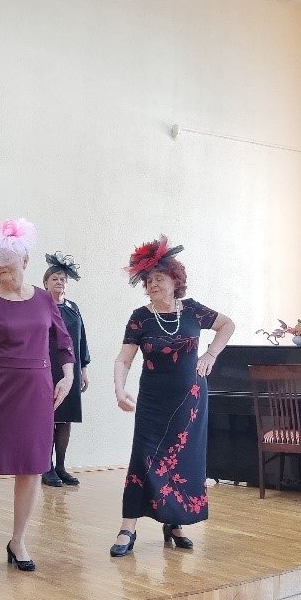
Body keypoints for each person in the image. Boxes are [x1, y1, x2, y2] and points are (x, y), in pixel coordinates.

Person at [0, 218, 74, 578]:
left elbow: (63, 340)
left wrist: (68, 374)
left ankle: (18, 541)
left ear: (25, 260)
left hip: (37, 395)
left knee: (32, 468)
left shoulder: (44, 299)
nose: (1, 267)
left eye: (7, 261)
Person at [109, 235, 234, 557]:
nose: (153, 284)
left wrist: (211, 355)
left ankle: (175, 523)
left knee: (184, 460)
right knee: (143, 457)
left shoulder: (193, 311)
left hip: (190, 400)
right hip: (153, 401)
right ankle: (128, 527)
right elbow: (124, 359)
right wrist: (119, 388)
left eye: (159, 279)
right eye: (148, 280)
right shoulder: (140, 317)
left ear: (175, 281)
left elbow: (227, 325)